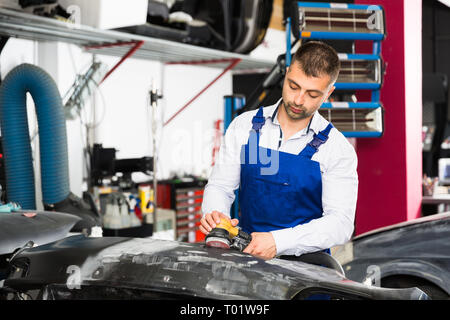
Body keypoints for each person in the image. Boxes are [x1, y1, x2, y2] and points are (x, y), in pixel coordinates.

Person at [200, 41, 358, 260]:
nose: (298, 100)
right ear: (286, 73)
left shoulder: (337, 149)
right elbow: (220, 186)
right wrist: (216, 216)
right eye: (293, 86)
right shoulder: (244, 126)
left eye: (312, 94)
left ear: (328, 92)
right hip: (248, 259)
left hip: (307, 271)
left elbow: (340, 223)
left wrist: (278, 242)